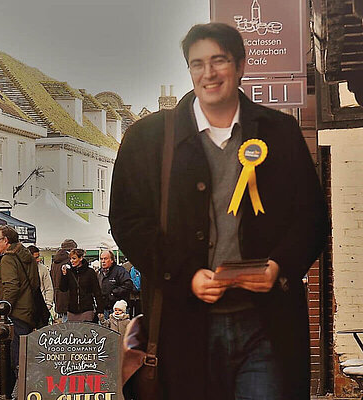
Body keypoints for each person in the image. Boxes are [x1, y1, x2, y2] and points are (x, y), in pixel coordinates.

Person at [109, 22, 328, 399]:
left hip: (266, 325)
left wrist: (279, 266)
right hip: (183, 327)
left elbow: (311, 217)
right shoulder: (147, 139)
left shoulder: (281, 132)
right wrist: (184, 275)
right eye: (197, 64)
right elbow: (127, 221)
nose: (208, 74)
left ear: (241, 66)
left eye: (219, 61)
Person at [0, 225, 40, 399]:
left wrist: (2, 311)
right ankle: (12, 390)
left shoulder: (8, 259)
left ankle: (6, 392)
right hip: (28, 311)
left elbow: (11, 287)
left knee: (11, 358)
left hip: (15, 313)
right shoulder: (27, 255)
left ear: (6, 240)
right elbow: (35, 284)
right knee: (21, 356)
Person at [60, 248, 104, 322]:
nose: (72, 261)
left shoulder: (90, 272)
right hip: (72, 310)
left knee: (86, 331)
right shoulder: (69, 272)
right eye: (70, 259)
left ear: (81, 258)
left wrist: (100, 310)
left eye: (74, 258)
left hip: (86, 309)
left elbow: (97, 291)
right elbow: (63, 288)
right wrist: (64, 275)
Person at [97, 250, 133, 318]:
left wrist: (113, 293)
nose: (103, 261)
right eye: (101, 259)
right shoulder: (99, 273)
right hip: (105, 309)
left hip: (119, 310)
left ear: (112, 260)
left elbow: (128, 285)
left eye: (105, 258)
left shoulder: (120, 271)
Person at [50, 239, 77, 321]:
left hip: (58, 297)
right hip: (68, 297)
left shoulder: (54, 263)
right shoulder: (70, 262)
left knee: (64, 323)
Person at [28, 245, 54, 312]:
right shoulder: (21, 268)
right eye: (36, 258)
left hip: (40, 305)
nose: (38, 260)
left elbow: (49, 287)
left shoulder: (43, 269)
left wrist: (48, 304)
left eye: (38, 257)